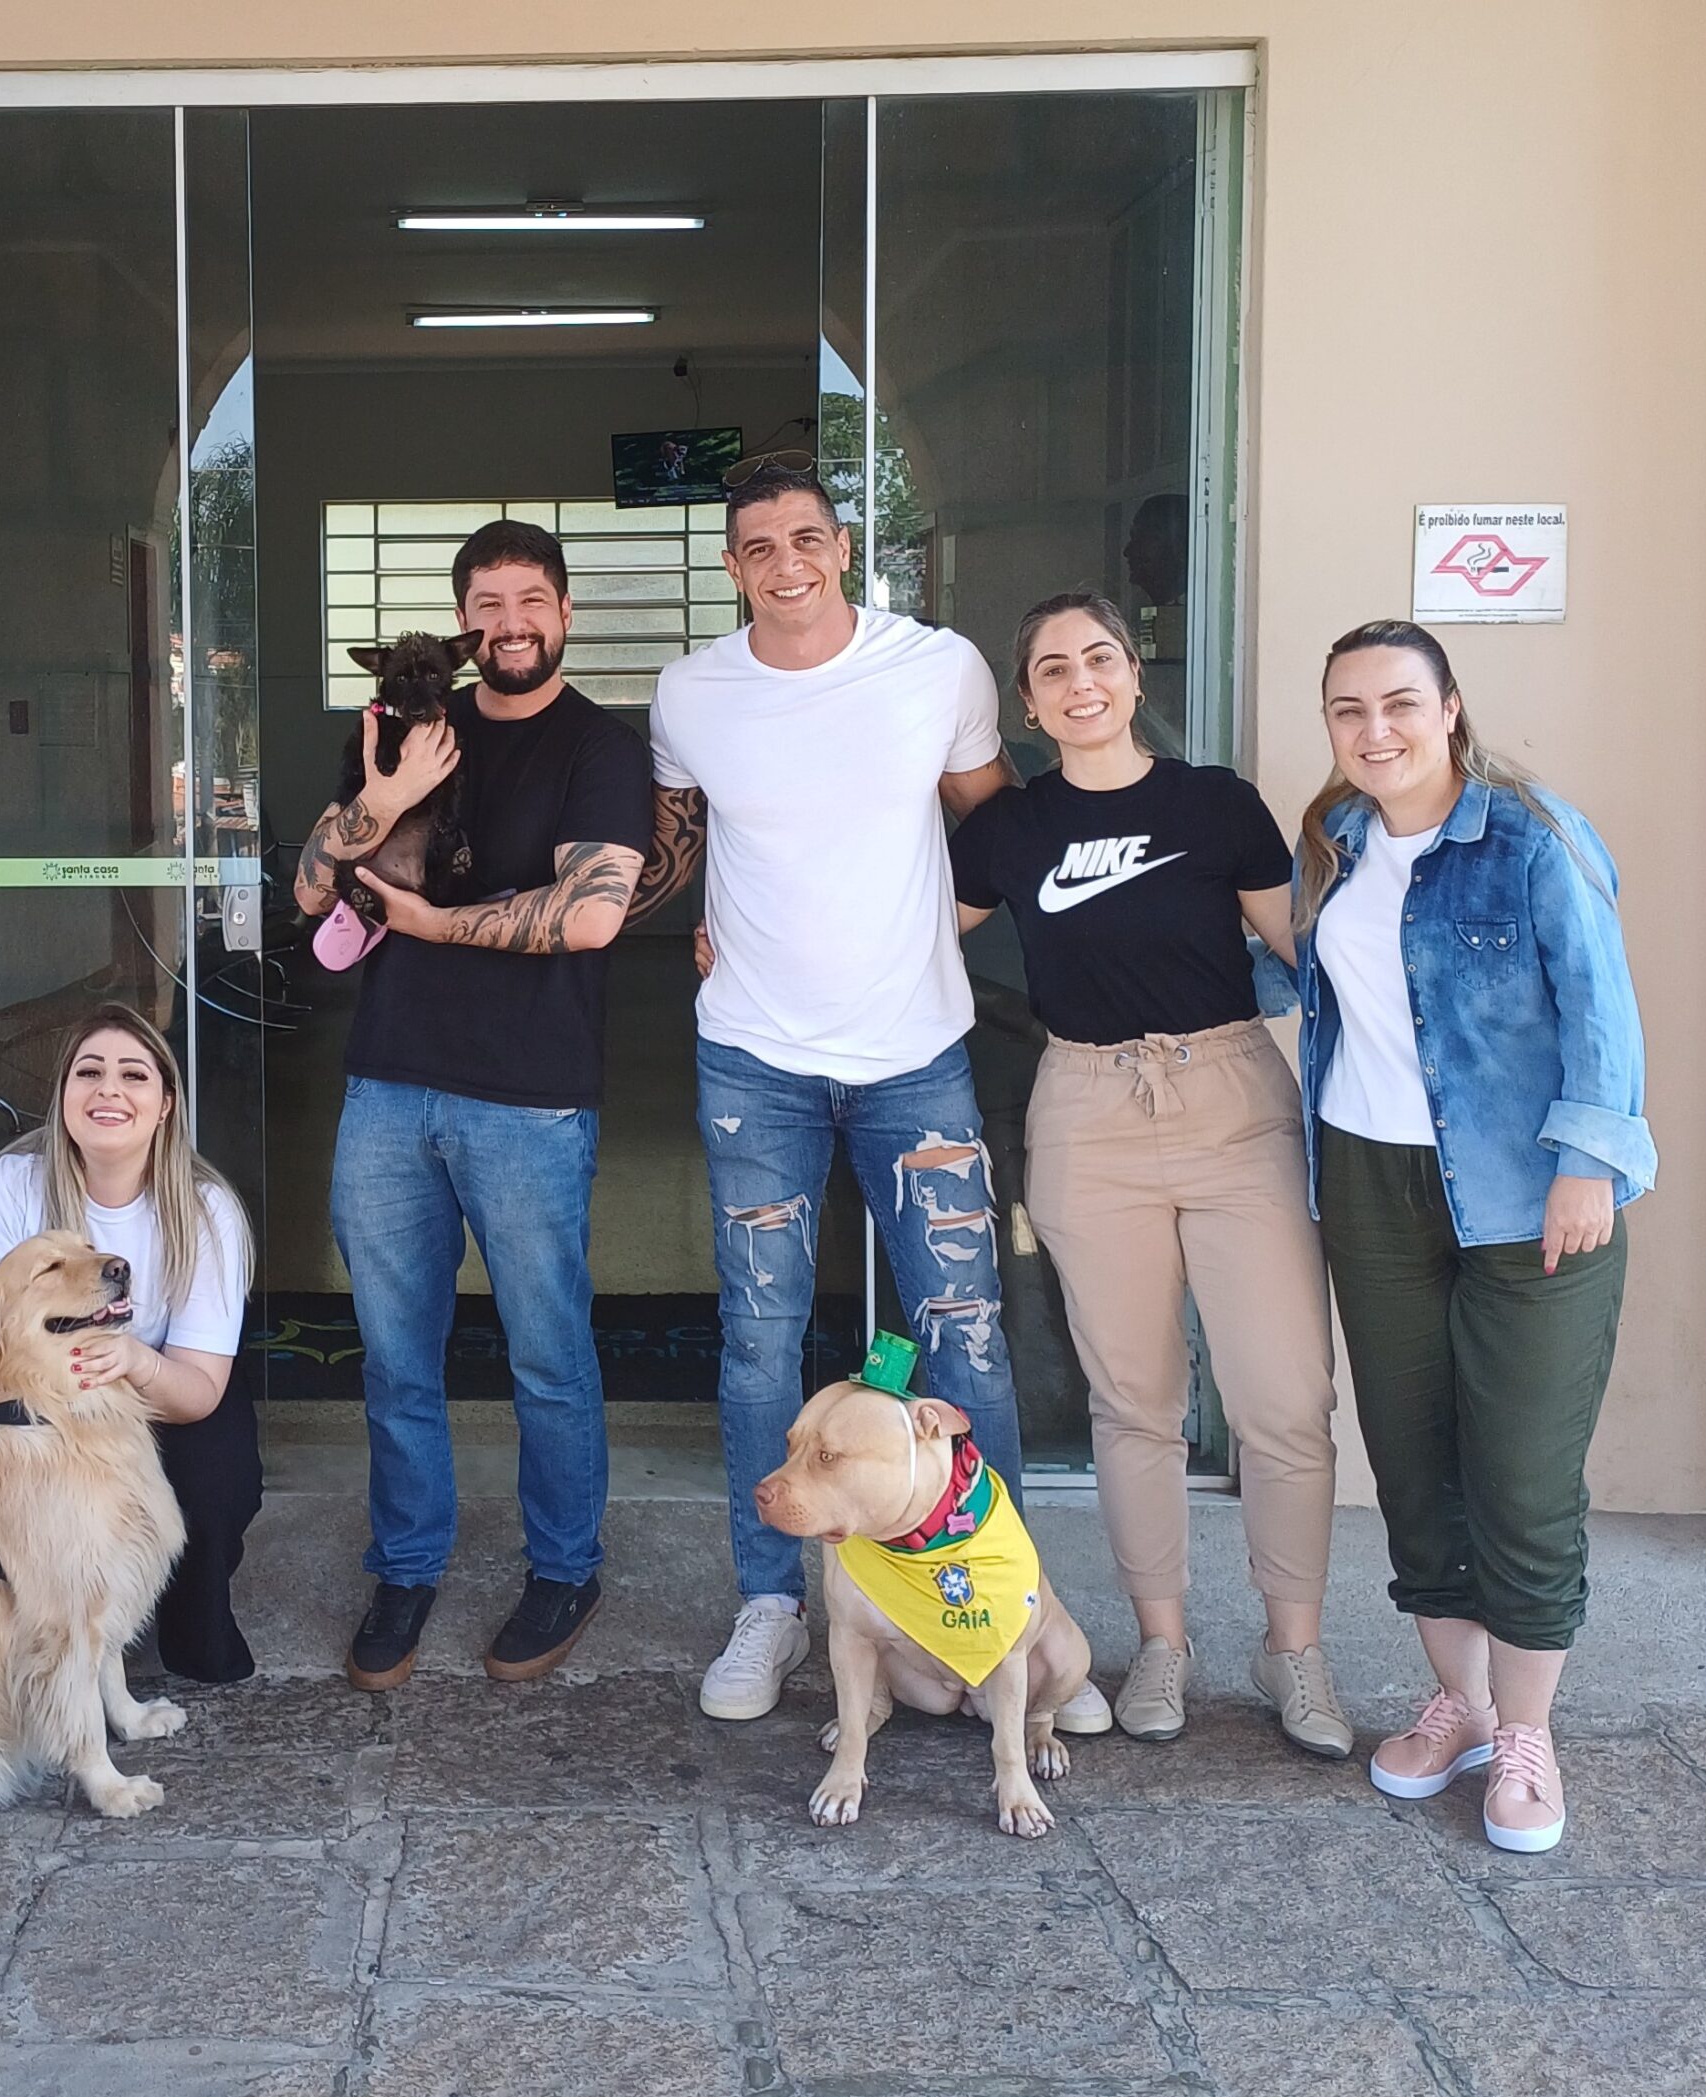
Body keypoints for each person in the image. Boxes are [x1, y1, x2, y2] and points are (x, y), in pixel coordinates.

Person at [636, 457, 1038, 1724]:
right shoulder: (692, 692)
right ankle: (772, 1604)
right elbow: (673, 842)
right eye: (759, 546)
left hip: (915, 1051)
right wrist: (688, 918)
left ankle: (1001, 1608)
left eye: (806, 537)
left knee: (959, 1323)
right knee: (760, 1333)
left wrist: (942, 917)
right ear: (732, 567)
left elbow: (996, 823)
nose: (786, 562)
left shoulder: (937, 667)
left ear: (842, 547)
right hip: (755, 1054)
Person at [948, 591, 1347, 1755]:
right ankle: (1161, 1642)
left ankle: (1294, 1650)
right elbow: (905, 936)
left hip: (1231, 1100)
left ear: (1131, 674)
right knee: (1134, 1402)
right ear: (1026, 703)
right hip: (1085, 1108)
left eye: (1100, 658)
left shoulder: (1213, 802)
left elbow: (1306, 955)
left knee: (1285, 1402)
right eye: (1052, 667)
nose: (1081, 681)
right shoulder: (1008, 830)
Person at [1296, 619, 1653, 1853]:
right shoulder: (1332, 842)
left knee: (1520, 1477)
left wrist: (1588, 1162)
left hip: (1524, 1197)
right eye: (1349, 709)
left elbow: (1601, 1007)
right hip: (1369, 1186)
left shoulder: (1531, 837)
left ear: (1449, 708)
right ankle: (1455, 1699)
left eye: (1400, 702)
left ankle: (1526, 1732)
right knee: (1412, 1463)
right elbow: (1327, 997)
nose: (1375, 729)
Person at [293, 517, 651, 1690]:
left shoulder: (598, 745)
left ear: (562, 611)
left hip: (530, 1096)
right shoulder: (408, 731)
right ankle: (405, 1565)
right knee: (397, 1355)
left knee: (548, 1352)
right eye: (486, 603)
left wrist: (436, 922)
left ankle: (564, 1565)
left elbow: (588, 913)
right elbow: (309, 886)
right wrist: (383, 793)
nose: (509, 623)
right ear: (461, 624)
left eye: (529, 599)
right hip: (389, 1080)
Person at [0, 1004, 263, 1684]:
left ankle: (176, 1612)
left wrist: (137, 1360)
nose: (109, 1089)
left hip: (156, 1393)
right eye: (89, 1072)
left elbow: (200, 1390)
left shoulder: (207, 1209)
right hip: (38, 1397)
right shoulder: (11, 1183)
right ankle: (28, 1630)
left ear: (166, 1103)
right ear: (62, 1098)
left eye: (133, 1075)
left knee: (213, 1480)